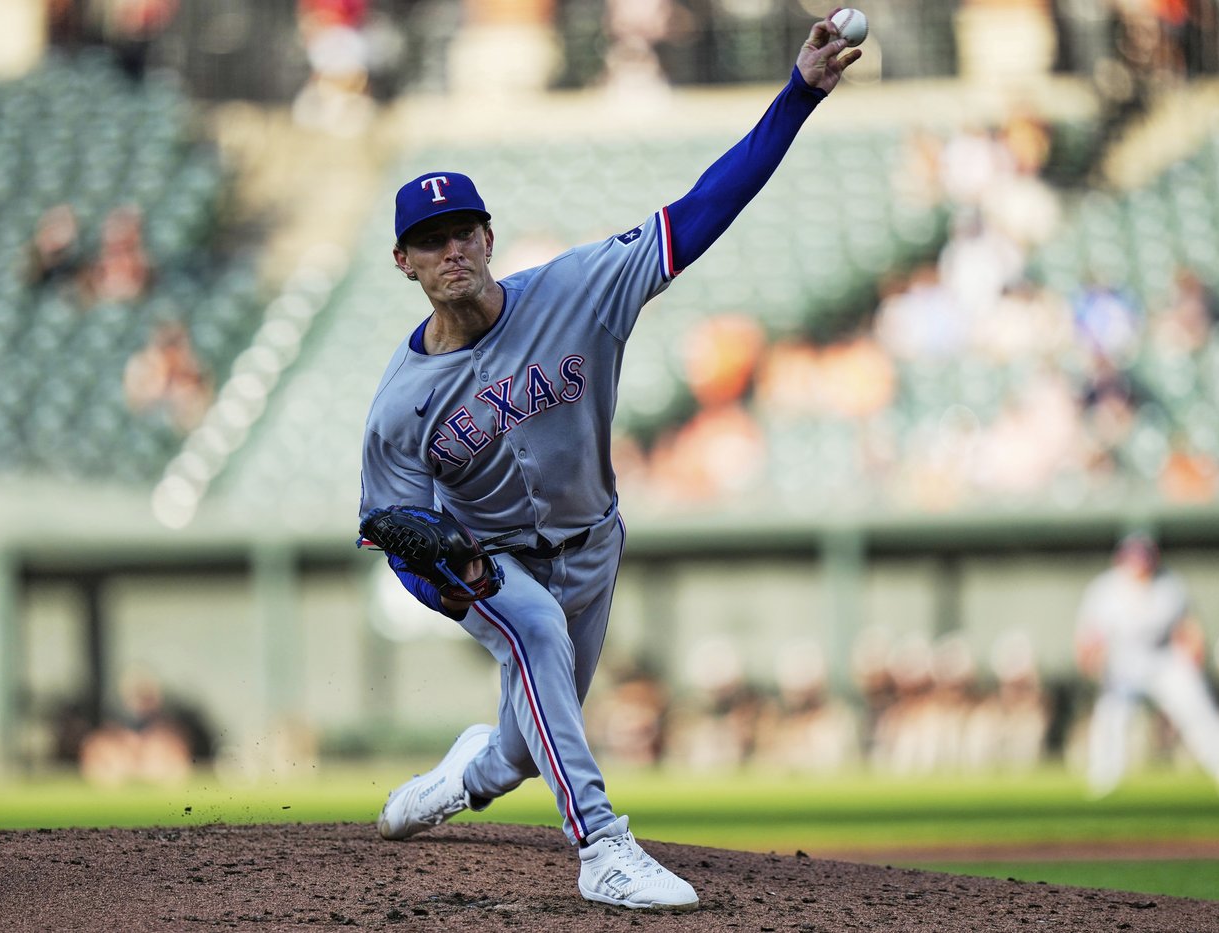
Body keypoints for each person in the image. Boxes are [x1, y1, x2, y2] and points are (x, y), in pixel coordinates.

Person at [356, 18, 861, 911]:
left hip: (595, 542)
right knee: (536, 631)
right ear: (404, 261)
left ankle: (464, 776)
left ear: (489, 235)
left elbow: (707, 206)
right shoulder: (401, 403)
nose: (452, 250)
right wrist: (454, 577)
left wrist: (800, 94)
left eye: (464, 229)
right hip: (497, 561)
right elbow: (392, 532)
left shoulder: (580, 289)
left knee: (523, 745)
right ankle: (601, 845)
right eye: (431, 240)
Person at [1074, 533, 1219, 797]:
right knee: (1112, 713)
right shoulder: (1104, 589)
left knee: (1196, 706)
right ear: (1120, 560)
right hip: (1122, 659)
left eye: (1143, 559)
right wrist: (1090, 661)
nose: (1138, 566)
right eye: (1132, 559)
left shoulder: (1169, 585)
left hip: (1162, 657)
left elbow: (1188, 629)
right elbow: (1088, 638)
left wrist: (1194, 655)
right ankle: (1104, 780)